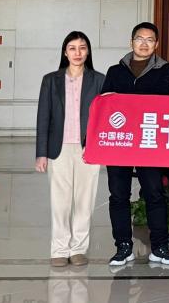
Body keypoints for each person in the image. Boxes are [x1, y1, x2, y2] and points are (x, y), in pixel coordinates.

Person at [101, 22, 169, 266]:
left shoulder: (164, 69)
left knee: (154, 193)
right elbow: (105, 103)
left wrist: (125, 101)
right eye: (139, 39)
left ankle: (160, 247)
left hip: (148, 140)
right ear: (131, 42)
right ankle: (123, 247)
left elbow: (162, 100)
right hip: (120, 141)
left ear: (156, 44)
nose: (144, 44)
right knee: (118, 195)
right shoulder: (115, 71)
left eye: (149, 40)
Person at [35, 31, 105, 267]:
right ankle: (59, 249)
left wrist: (101, 147)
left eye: (82, 48)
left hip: (88, 150)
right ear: (65, 52)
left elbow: (104, 117)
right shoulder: (50, 80)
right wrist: (41, 153)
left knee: (85, 201)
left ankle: (78, 249)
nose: (77, 53)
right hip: (59, 149)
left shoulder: (99, 80)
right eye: (72, 48)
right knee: (60, 202)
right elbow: (43, 118)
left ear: (88, 52)